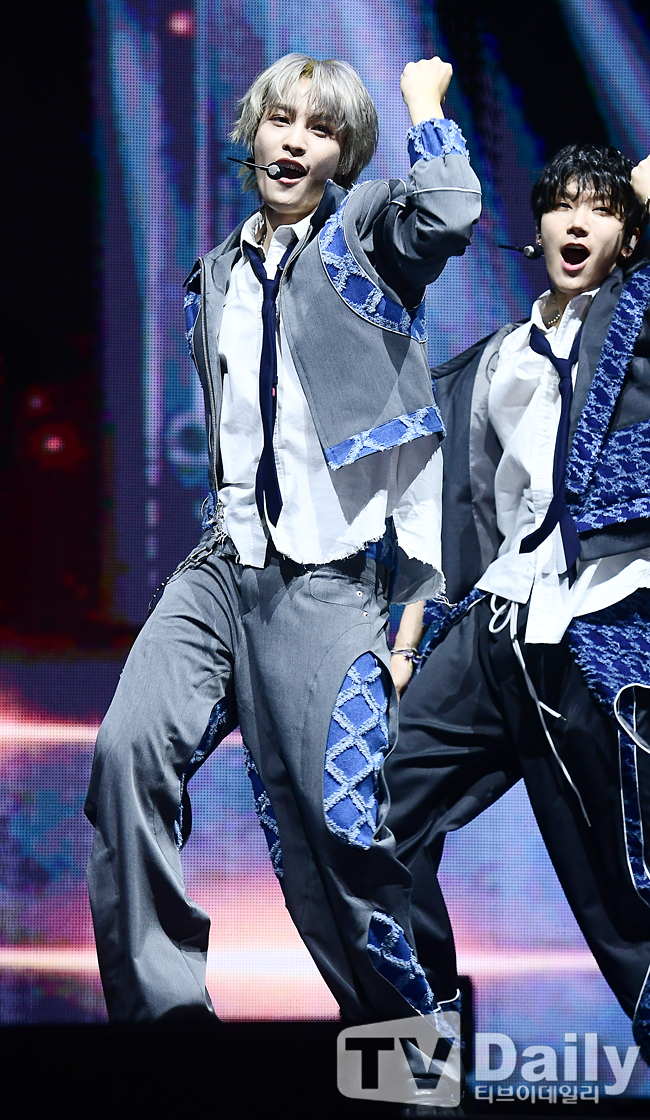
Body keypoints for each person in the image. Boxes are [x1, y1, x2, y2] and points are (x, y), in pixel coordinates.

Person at [84, 52, 481, 1023]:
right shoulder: (215, 274)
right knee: (126, 754)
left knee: (337, 834)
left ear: (344, 155)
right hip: (222, 571)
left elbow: (449, 211)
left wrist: (424, 105)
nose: (296, 142)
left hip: (330, 582)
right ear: (251, 133)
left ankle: (408, 1048)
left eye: (322, 129)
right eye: (282, 121)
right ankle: (163, 1026)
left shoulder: (367, 232)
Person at [386, 144, 650, 1061]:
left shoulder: (635, 320)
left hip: (601, 625)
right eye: (562, 206)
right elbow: (450, 518)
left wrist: (630, 202)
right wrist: (411, 639)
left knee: (624, 892)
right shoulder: (497, 358)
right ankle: (416, 1063)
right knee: (371, 818)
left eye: (600, 211)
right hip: (495, 628)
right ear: (535, 226)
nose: (577, 223)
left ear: (629, 238)